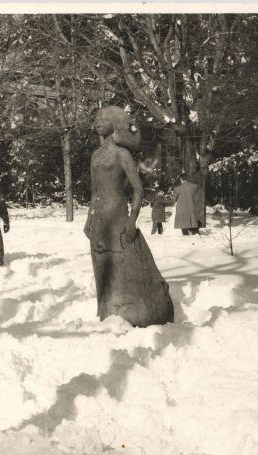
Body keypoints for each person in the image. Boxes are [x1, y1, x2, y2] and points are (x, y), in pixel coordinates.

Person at [84, 105, 173, 327]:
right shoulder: (95, 155)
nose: (97, 122)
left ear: (114, 125)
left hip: (118, 215)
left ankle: (136, 312)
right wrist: (89, 218)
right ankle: (107, 311)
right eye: (96, 118)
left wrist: (132, 220)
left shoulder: (121, 154)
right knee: (102, 263)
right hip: (100, 218)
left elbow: (137, 189)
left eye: (103, 119)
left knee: (122, 260)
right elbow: (94, 192)